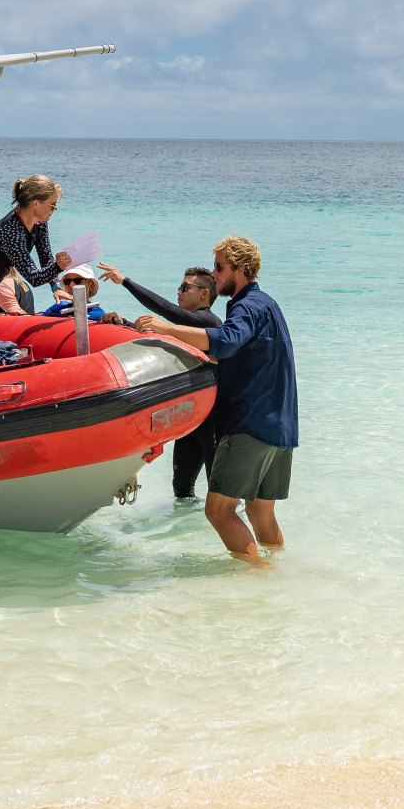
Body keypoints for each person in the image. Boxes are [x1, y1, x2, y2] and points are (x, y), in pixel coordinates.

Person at [137, 236, 297, 565]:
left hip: (251, 425)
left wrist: (167, 330)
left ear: (240, 268)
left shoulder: (246, 306)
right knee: (259, 510)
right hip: (281, 426)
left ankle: (258, 578)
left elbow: (224, 341)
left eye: (220, 267)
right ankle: (282, 575)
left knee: (218, 511)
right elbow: (243, 353)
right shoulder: (267, 304)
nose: (215, 273)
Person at [99, 262, 222, 499]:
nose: (178, 291)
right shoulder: (181, 329)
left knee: (220, 494)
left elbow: (165, 309)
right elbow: (155, 336)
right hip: (192, 419)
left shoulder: (210, 323)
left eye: (185, 287)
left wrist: (125, 281)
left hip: (215, 423)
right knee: (182, 492)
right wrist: (122, 323)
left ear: (204, 293)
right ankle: (187, 534)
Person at [0, 175, 72, 314]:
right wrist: (58, 266)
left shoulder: (39, 223)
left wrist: (56, 287)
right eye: (52, 205)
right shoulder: (10, 232)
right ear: (35, 204)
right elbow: (34, 277)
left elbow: (46, 257)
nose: (54, 210)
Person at [38, 268, 111, 320]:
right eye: (67, 281)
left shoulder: (99, 314)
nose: (71, 285)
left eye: (77, 280)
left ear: (90, 286)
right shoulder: (57, 307)